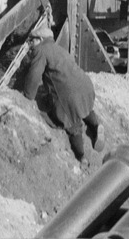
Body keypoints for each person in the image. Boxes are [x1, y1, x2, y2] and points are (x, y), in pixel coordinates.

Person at [20, 31, 103, 161]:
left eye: (32, 40)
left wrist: (28, 95)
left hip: (70, 95)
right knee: (84, 108)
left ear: (40, 39)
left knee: (72, 122)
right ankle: (96, 125)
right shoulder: (58, 48)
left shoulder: (40, 50)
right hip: (85, 86)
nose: (31, 44)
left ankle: (81, 157)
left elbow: (34, 75)